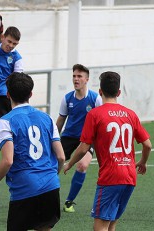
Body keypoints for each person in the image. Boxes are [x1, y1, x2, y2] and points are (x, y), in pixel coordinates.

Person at [64, 71, 152, 231]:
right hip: (130, 177)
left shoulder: (95, 114)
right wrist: (142, 162)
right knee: (111, 224)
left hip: (110, 177)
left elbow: (84, 147)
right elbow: (147, 145)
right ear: (119, 92)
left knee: (100, 227)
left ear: (100, 92)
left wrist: (70, 164)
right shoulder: (130, 114)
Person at [0, 72, 65, 231]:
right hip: (50, 185)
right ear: (31, 94)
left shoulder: (5, 122)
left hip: (25, 187)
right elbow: (61, 156)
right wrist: (51, 175)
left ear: (7, 94)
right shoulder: (47, 118)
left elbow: (8, 160)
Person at [56, 64, 102, 213]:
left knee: (82, 165)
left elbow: (102, 122)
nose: (76, 79)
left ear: (87, 79)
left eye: (79, 76)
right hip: (68, 137)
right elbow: (61, 121)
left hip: (88, 139)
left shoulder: (95, 99)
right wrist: (53, 139)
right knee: (52, 165)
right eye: (74, 76)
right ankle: (41, 196)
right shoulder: (67, 98)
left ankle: (69, 202)